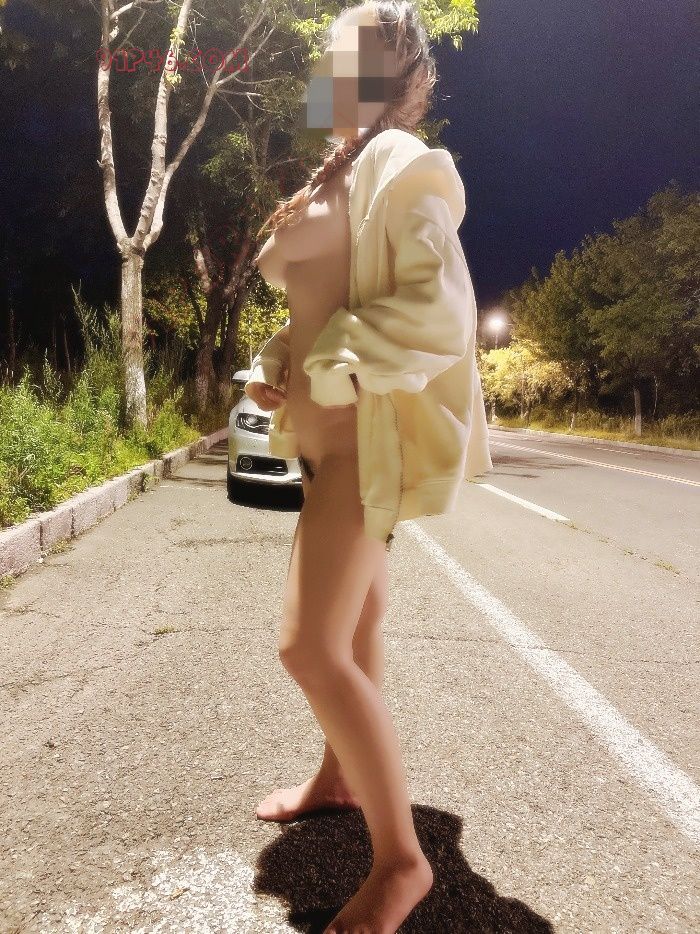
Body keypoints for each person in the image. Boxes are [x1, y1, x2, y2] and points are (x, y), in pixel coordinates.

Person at [245, 3, 493, 931]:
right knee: (355, 626)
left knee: (308, 646)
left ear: (395, 73)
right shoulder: (340, 167)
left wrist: (333, 362)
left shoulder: (396, 160)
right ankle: (339, 777)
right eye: (329, 51)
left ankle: (401, 863)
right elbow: (324, 302)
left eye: (350, 53)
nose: (329, 65)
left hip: (361, 450)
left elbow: (439, 308)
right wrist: (282, 360)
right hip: (321, 447)